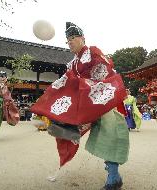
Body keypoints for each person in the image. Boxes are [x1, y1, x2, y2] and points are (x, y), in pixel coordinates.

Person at [31, 22, 129, 190]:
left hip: (101, 98)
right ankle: (67, 127)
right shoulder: (71, 63)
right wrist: (47, 101)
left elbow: (104, 72)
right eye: (67, 40)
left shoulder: (93, 52)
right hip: (84, 101)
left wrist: (81, 83)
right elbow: (64, 82)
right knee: (65, 103)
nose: (70, 42)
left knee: (109, 133)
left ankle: (114, 175)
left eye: (73, 38)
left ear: (83, 38)